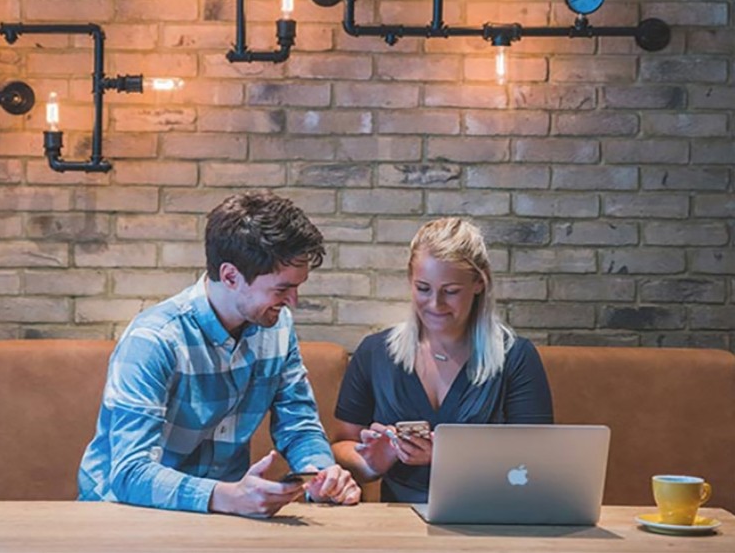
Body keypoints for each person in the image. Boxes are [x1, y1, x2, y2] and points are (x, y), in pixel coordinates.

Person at [78, 190, 361, 517]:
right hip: (123, 515)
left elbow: (298, 426)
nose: (293, 301)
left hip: (223, 519)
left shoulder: (277, 327)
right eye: (282, 288)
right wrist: (227, 497)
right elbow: (129, 473)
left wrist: (322, 475)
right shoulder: (154, 340)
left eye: (297, 286)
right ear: (230, 276)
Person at [332, 217, 553, 503]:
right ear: (410, 281)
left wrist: (448, 457)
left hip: (489, 520)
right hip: (397, 523)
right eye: (423, 288)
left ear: (479, 284)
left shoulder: (516, 358)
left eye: (450, 291)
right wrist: (374, 460)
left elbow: (538, 463)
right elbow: (340, 447)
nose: (435, 304)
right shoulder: (375, 353)